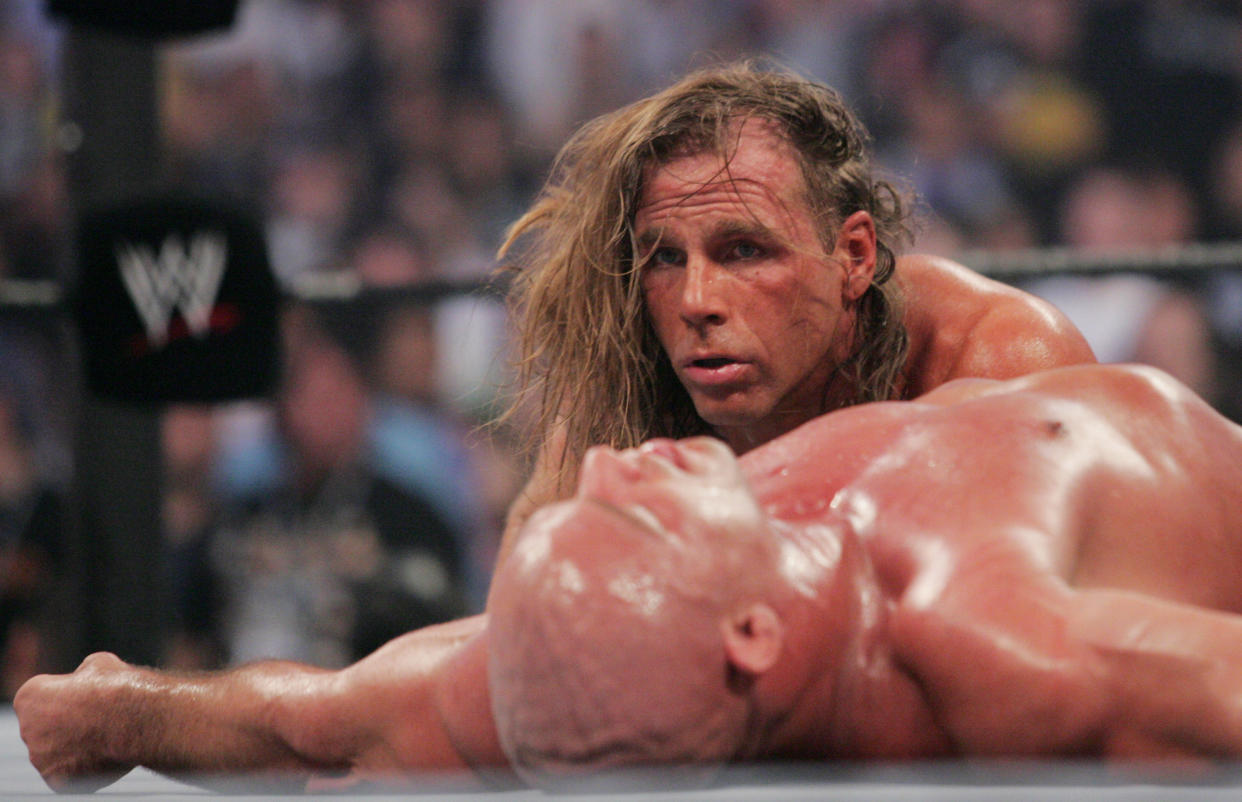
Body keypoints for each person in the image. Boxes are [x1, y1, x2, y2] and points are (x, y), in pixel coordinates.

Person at [16, 363, 1242, 792]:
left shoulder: (550, 679)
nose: (611, 458)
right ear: (753, 633)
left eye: (590, 501)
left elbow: (315, 722)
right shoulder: (999, 645)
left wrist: (123, 706)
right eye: (637, 516)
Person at [497, 60, 1095, 556]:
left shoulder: (998, 363)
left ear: (854, 256)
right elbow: (523, 647)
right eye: (665, 259)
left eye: (745, 250)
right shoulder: (621, 411)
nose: (696, 303)